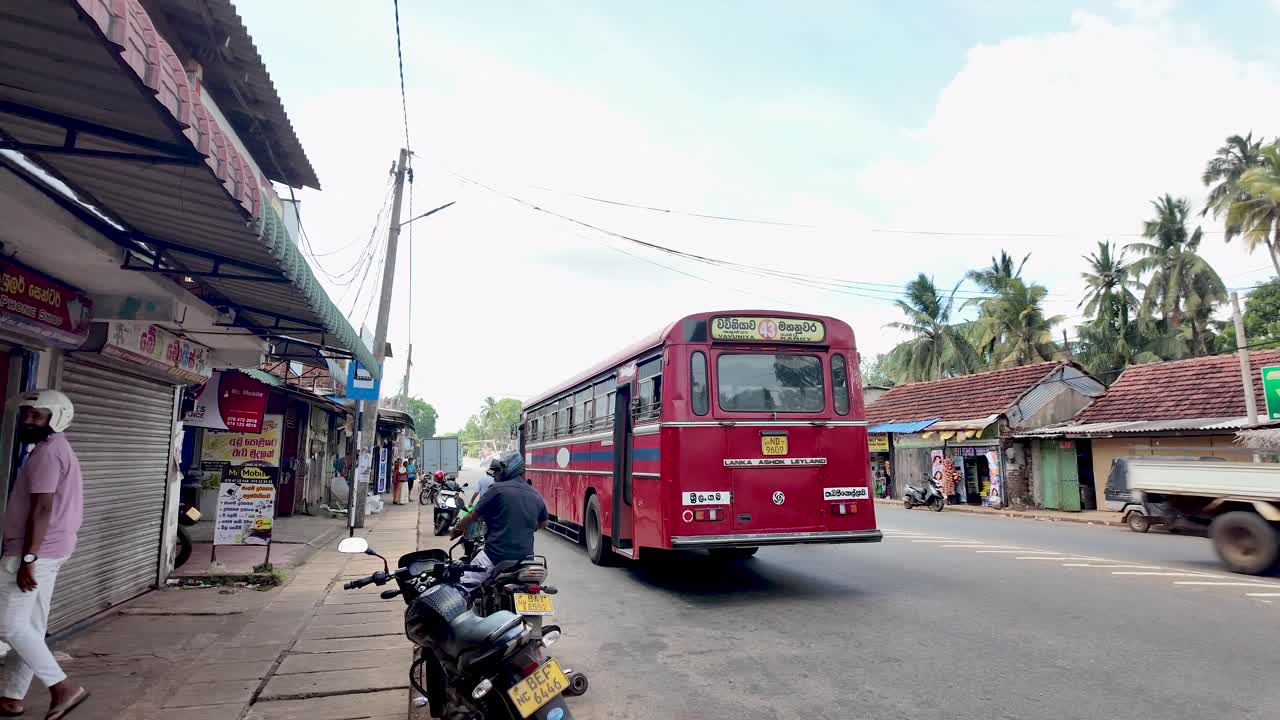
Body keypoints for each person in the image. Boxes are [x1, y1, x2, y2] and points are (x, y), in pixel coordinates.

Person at [0, 390, 89, 720]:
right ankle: (11, 697)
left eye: (37, 415)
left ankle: (62, 687)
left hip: (35, 551)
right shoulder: (54, 450)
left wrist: (27, 560)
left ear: (57, 417)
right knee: (31, 626)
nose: (28, 420)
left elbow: (42, 508)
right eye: (27, 414)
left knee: (8, 625)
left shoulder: (48, 455)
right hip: (52, 549)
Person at [451, 450, 546, 583]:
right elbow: (543, 523)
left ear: (507, 469)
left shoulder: (496, 489)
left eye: (497, 471)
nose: (495, 476)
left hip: (495, 555)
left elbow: (473, 515)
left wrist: (458, 528)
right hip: (527, 558)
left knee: (464, 584)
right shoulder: (536, 494)